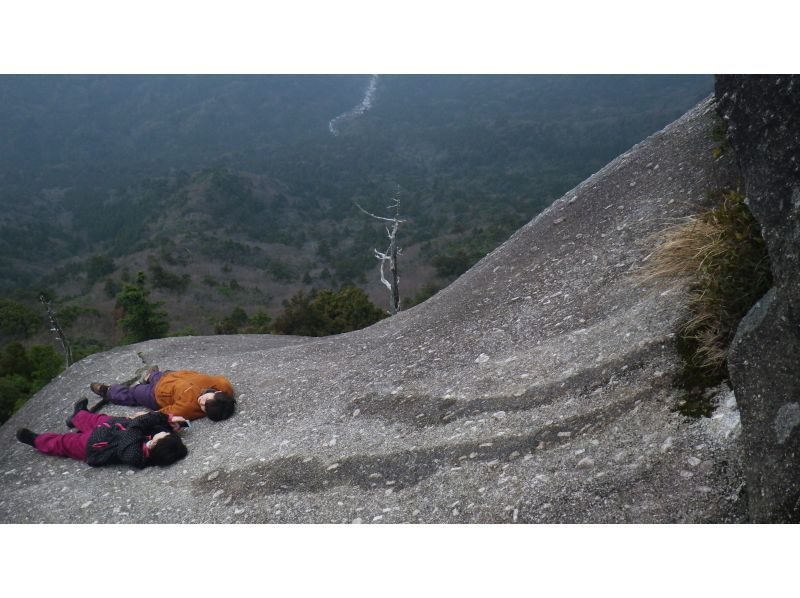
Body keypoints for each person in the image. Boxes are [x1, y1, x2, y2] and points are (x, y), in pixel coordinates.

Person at [15, 399, 188, 469]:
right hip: (112, 428)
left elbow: (137, 425)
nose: (163, 434)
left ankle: (37, 440)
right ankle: (77, 416)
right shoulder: (153, 443)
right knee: (95, 419)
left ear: (155, 445)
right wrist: (169, 421)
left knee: (64, 442)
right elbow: (151, 426)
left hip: (95, 445)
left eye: (164, 437)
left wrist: (161, 417)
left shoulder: (134, 455)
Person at [90, 366, 236, 422]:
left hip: (156, 395)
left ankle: (109, 392)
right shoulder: (223, 387)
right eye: (207, 399)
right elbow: (224, 382)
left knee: (135, 392)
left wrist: (145, 417)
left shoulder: (188, 408)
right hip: (172, 377)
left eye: (204, 407)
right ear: (217, 393)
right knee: (159, 375)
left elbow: (164, 415)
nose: (201, 402)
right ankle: (150, 375)